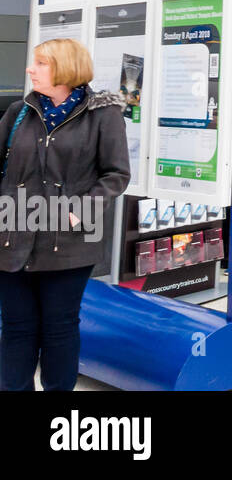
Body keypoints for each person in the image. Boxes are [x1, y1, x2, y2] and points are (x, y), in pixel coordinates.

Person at [0, 39, 129, 390]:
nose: (30, 69)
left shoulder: (103, 115)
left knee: (59, 328)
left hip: (68, 242)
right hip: (13, 236)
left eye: (40, 63)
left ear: (65, 69)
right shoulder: (18, 113)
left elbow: (116, 174)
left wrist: (81, 211)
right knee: (15, 328)